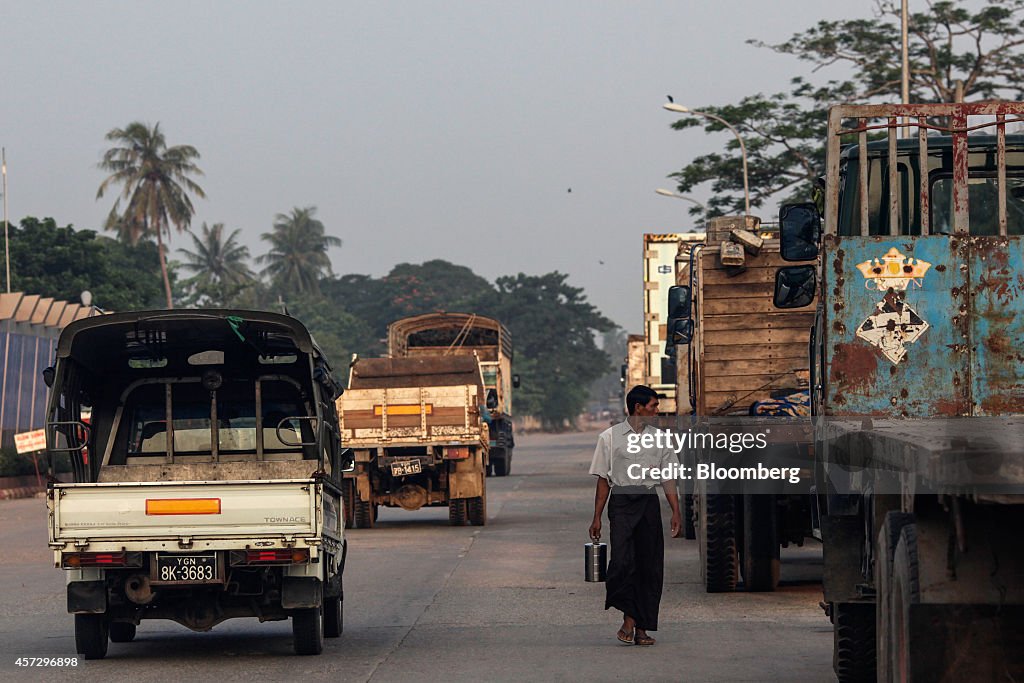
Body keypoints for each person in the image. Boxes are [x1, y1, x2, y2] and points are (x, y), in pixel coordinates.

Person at [588, 385, 682, 647]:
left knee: (649, 566)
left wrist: (676, 511)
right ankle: (630, 618)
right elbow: (604, 480)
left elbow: (668, 477)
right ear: (638, 407)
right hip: (621, 504)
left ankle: (638, 628)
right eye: (653, 406)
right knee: (622, 563)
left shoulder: (661, 438)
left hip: (648, 503)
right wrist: (596, 516)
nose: (657, 410)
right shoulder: (609, 437)